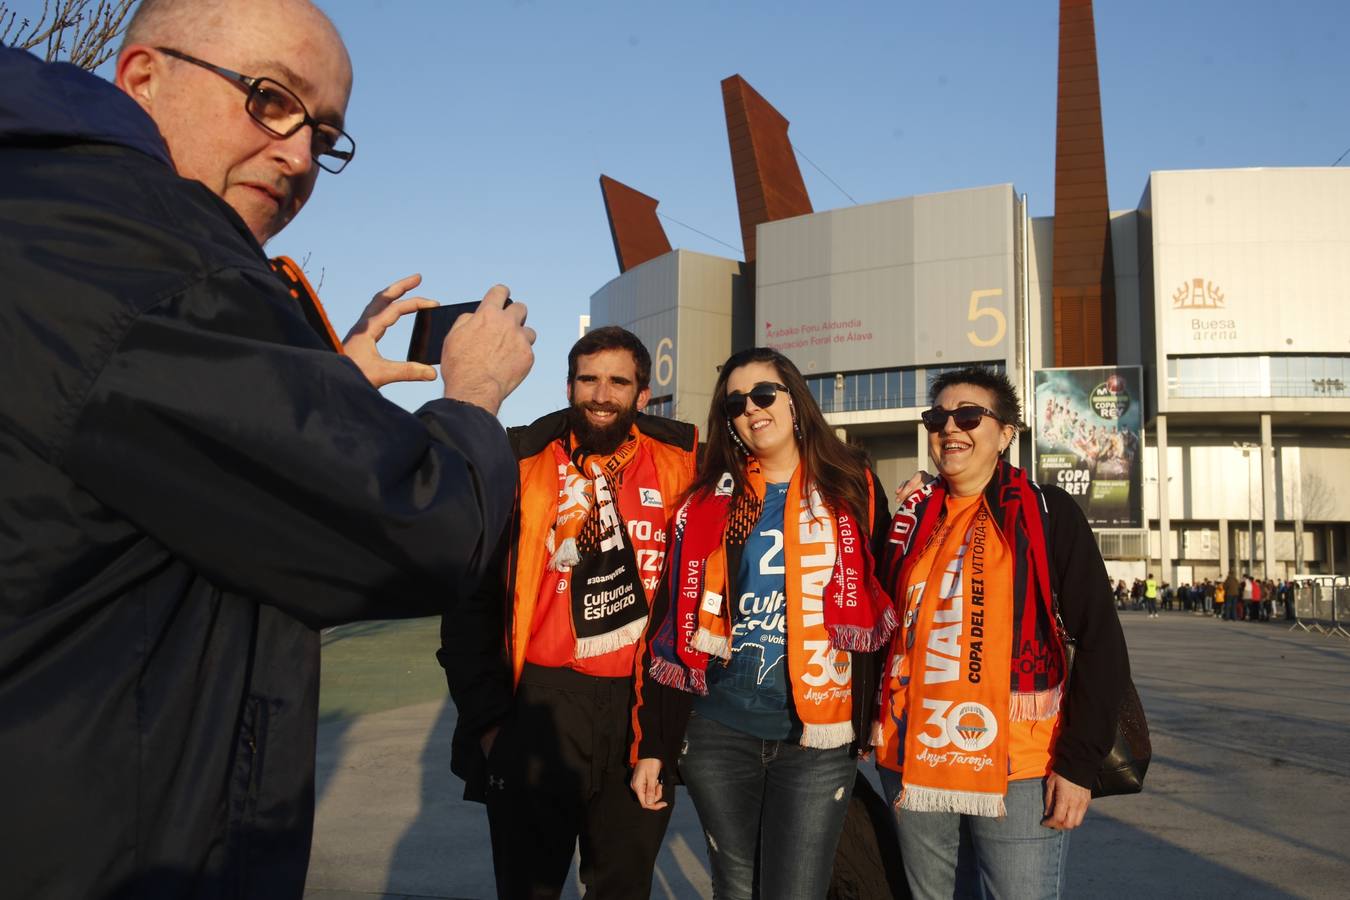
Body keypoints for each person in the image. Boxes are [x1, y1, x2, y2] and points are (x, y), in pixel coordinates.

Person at [0, 1, 536, 895]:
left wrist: (326, 387)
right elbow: (414, 528)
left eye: (324, 135)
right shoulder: (149, 256)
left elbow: (153, 452)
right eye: (269, 99)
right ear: (141, 76)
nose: (297, 156)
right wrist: (474, 399)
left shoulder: (48, 214)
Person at [440, 326, 697, 900]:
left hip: (638, 708)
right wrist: (489, 726)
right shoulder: (518, 463)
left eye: (618, 381)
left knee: (622, 889)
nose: (601, 394)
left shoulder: (683, 469)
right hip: (540, 704)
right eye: (589, 379)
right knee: (527, 888)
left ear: (643, 396)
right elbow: (468, 601)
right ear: (569, 387)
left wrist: (666, 731)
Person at [630, 347, 895, 899]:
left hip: (818, 738)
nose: (750, 408)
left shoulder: (855, 488)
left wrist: (877, 711)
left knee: (795, 889)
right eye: (734, 403)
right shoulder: (707, 504)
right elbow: (669, 627)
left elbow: (885, 604)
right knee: (736, 883)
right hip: (717, 732)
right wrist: (654, 743)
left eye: (763, 394)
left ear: (795, 400)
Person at [873, 366, 1130, 899]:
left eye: (969, 416)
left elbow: (1102, 643)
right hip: (913, 755)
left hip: (1017, 767)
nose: (950, 428)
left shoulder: (1046, 512)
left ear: (1006, 433)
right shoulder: (912, 517)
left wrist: (1079, 764)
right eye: (937, 417)